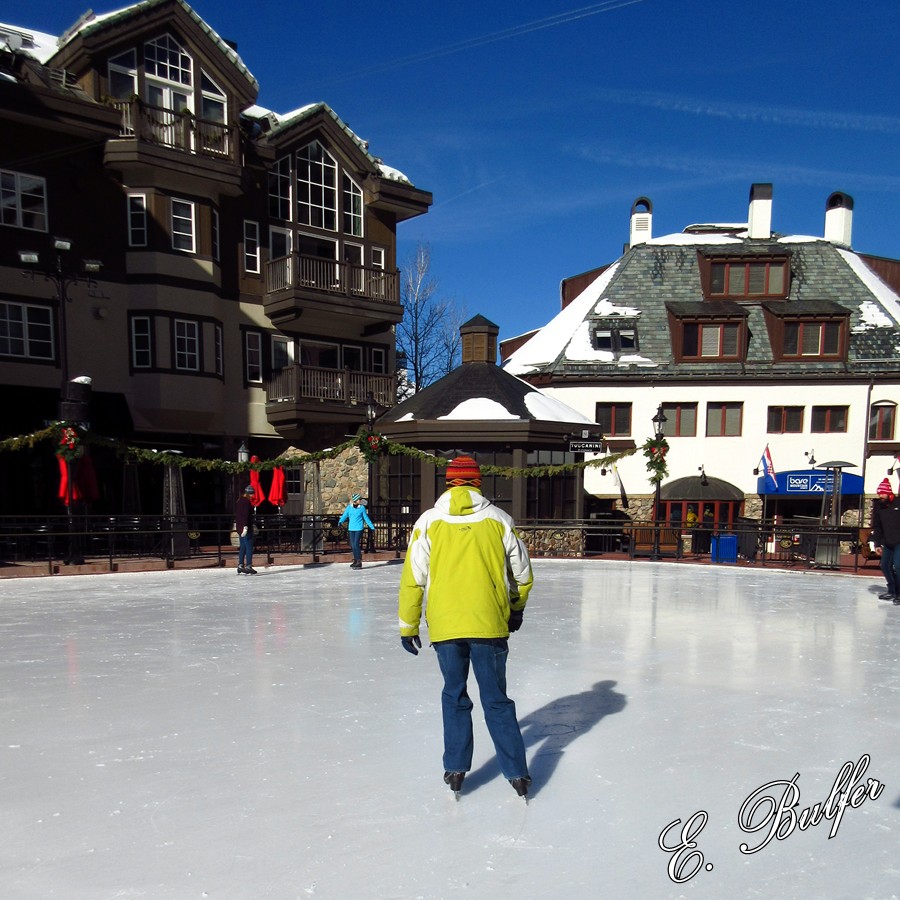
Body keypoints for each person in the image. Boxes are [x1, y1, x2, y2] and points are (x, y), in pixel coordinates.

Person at [398, 455, 534, 800]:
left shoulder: (428, 522)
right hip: (489, 624)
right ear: (478, 482)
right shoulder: (499, 520)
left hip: (445, 626)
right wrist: (515, 609)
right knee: (496, 700)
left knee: (454, 695)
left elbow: (413, 578)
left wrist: (408, 625)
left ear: (448, 483)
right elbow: (522, 574)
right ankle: (517, 773)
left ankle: (456, 769)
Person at [870, 477, 900, 603]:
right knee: (885, 565)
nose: (880, 496)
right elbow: (877, 526)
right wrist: (877, 544)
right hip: (888, 542)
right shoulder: (879, 506)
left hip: (899, 542)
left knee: (898, 566)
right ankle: (892, 591)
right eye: (879, 493)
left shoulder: (898, 503)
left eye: (882, 493)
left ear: (889, 493)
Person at [339, 492, 374, 569]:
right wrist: (340, 522)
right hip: (351, 528)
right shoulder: (349, 507)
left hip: (359, 528)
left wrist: (371, 526)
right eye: (359, 499)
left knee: (356, 544)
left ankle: (359, 561)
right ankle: (355, 560)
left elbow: (366, 518)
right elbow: (345, 515)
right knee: (352, 545)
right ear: (355, 500)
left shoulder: (362, 508)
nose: (360, 500)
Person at [234, 484, 257, 575]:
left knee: (242, 546)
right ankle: (248, 565)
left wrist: (241, 527)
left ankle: (240, 565)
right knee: (249, 547)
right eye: (252, 494)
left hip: (240, 528)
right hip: (246, 528)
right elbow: (246, 515)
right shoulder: (247, 502)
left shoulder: (239, 500)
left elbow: (239, 515)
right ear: (249, 494)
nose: (253, 495)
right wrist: (246, 526)